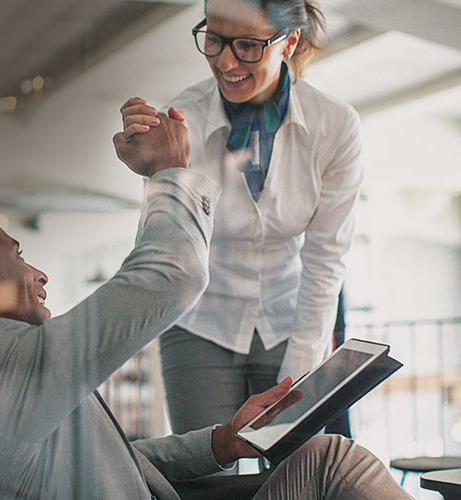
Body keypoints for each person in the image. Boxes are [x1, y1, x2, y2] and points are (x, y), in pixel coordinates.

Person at [0, 112, 408, 500]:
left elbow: (111, 464)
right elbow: (172, 274)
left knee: (321, 459)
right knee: (333, 463)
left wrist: (222, 442)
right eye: (17, 255)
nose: (37, 275)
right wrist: (168, 174)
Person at [120, 0, 364, 434]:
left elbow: (327, 260)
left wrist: (301, 370)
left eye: (248, 45)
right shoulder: (182, 119)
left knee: (295, 472)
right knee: (204, 474)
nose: (226, 61)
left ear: (289, 42)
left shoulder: (335, 126)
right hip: (200, 321)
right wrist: (156, 170)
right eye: (214, 40)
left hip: (291, 320)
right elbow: (170, 247)